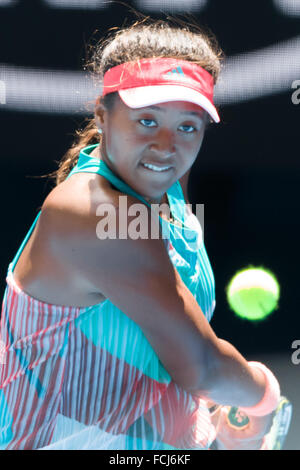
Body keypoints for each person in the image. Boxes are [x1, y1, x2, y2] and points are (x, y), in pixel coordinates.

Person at [0, 18, 282, 450]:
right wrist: (264, 397)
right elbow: (202, 366)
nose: (167, 146)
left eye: (188, 126)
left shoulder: (164, 187)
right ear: (102, 114)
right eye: (147, 120)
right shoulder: (92, 212)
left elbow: (169, 348)